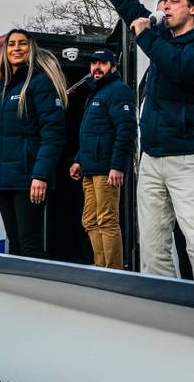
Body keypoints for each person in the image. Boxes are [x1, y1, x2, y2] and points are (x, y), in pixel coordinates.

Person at [85, 0, 194, 284]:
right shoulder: (160, 35)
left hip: (190, 158)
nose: (165, 5)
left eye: (174, 1)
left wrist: (146, 37)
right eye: (163, 1)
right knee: (153, 248)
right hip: (151, 158)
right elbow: (126, 5)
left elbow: (184, 68)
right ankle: (163, 317)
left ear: (193, 9)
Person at [0, 29, 67, 258]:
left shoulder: (40, 83)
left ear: (30, 49)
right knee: (14, 244)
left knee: (29, 244)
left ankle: (39, 292)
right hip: (2, 178)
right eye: (11, 44)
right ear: (5, 51)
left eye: (22, 43)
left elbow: (53, 133)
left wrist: (40, 175)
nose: (16, 48)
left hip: (28, 177)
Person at [68, 49, 137, 269]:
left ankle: (114, 273)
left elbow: (126, 130)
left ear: (114, 67)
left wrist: (117, 166)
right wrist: (79, 159)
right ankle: (101, 269)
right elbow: (92, 132)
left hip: (107, 170)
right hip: (90, 168)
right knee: (89, 220)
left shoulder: (119, 90)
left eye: (103, 63)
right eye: (94, 63)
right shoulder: (95, 92)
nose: (97, 67)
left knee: (107, 221)